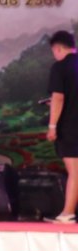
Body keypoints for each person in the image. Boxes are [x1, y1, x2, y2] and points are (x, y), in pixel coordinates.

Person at [46, 30, 78, 223]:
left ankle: (68, 213)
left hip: (71, 127)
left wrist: (52, 126)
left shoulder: (60, 67)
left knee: (75, 171)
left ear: (57, 48)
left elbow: (58, 97)